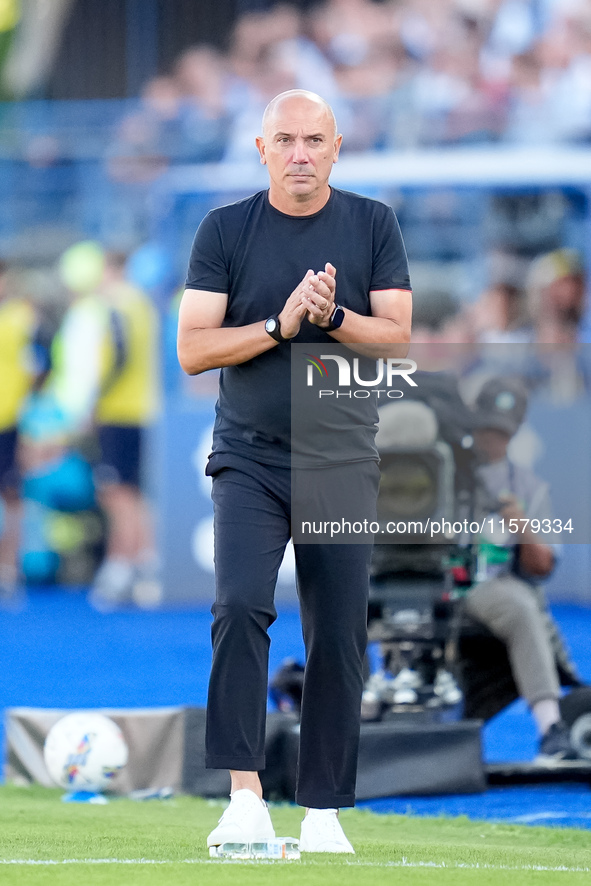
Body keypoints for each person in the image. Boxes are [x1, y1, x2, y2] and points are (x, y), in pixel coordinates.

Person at [177, 89, 412, 853]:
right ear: (261, 148)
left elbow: (397, 338)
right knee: (239, 607)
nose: (301, 153)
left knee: (339, 632)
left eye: (315, 139)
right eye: (286, 139)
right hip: (248, 453)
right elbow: (192, 350)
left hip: (340, 454)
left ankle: (322, 812)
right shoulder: (225, 229)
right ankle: (244, 796)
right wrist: (280, 323)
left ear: (337, 147)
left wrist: (333, 316)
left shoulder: (372, 222)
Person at [464, 376, 577, 761]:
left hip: (488, 584)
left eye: (501, 431)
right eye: (486, 427)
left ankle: (551, 726)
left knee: (522, 604)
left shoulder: (528, 487)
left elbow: (543, 565)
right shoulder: (441, 467)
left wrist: (523, 528)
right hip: (432, 577)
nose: (491, 438)